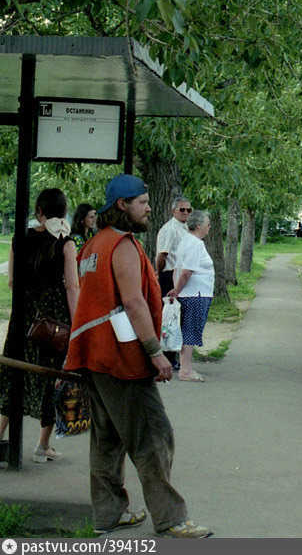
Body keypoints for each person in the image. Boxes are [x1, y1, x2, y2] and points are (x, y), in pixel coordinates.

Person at [63, 174, 211, 538]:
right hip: (121, 357)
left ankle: (108, 514)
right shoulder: (123, 245)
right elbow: (132, 302)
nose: (148, 209)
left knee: (107, 438)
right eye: (142, 202)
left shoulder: (93, 244)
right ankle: (171, 518)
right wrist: (155, 353)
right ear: (122, 205)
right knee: (154, 435)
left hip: (93, 354)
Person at [0, 188, 80, 462]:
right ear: (64, 210)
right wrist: (77, 325)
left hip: (23, 318)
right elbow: (72, 287)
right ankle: (42, 446)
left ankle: (0, 437)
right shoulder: (66, 243)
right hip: (53, 319)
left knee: (14, 373)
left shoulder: (18, 239)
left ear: (39, 211)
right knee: (50, 376)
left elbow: (11, 281)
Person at [164, 210, 214, 382]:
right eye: (208, 223)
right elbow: (186, 272)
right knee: (190, 331)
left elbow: (177, 270)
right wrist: (177, 290)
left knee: (188, 330)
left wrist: (176, 288)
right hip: (195, 294)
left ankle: (186, 368)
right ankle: (186, 371)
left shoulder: (186, 241)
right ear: (198, 225)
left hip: (191, 293)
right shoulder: (195, 243)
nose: (209, 226)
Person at [155, 196, 191, 370]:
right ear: (173, 211)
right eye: (182, 209)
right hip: (169, 275)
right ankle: (167, 356)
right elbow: (163, 255)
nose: (185, 213)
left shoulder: (185, 229)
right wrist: (159, 274)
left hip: (180, 276)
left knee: (178, 315)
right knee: (169, 316)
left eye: (188, 210)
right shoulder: (170, 229)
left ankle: (174, 353)